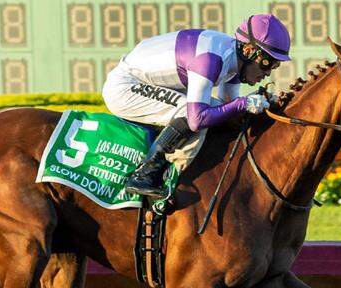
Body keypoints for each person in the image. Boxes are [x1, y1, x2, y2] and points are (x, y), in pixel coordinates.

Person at [102, 14, 290, 201]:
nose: (268, 73)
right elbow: (196, 119)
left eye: (274, 66)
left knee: (218, 110)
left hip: (145, 81)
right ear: (249, 51)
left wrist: (259, 104)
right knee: (189, 111)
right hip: (124, 87)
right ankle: (144, 174)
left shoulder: (234, 59)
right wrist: (244, 103)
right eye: (266, 63)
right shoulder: (211, 60)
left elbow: (229, 108)